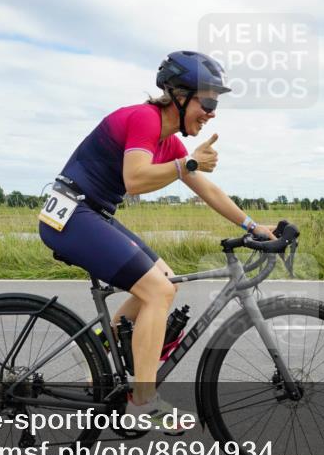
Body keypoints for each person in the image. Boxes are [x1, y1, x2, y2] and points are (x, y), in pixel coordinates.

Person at [39, 50, 275, 434]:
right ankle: (142, 402)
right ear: (178, 96)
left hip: (91, 213)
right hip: (70, 215)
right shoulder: (145, 120)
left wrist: (253, 226)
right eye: (208, 100)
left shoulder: (170, 144)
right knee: (157, 292)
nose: (213, 112)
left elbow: (208, 191)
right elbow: (135, 180)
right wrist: (188, 165)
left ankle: (101, 356)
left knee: (166, 277)